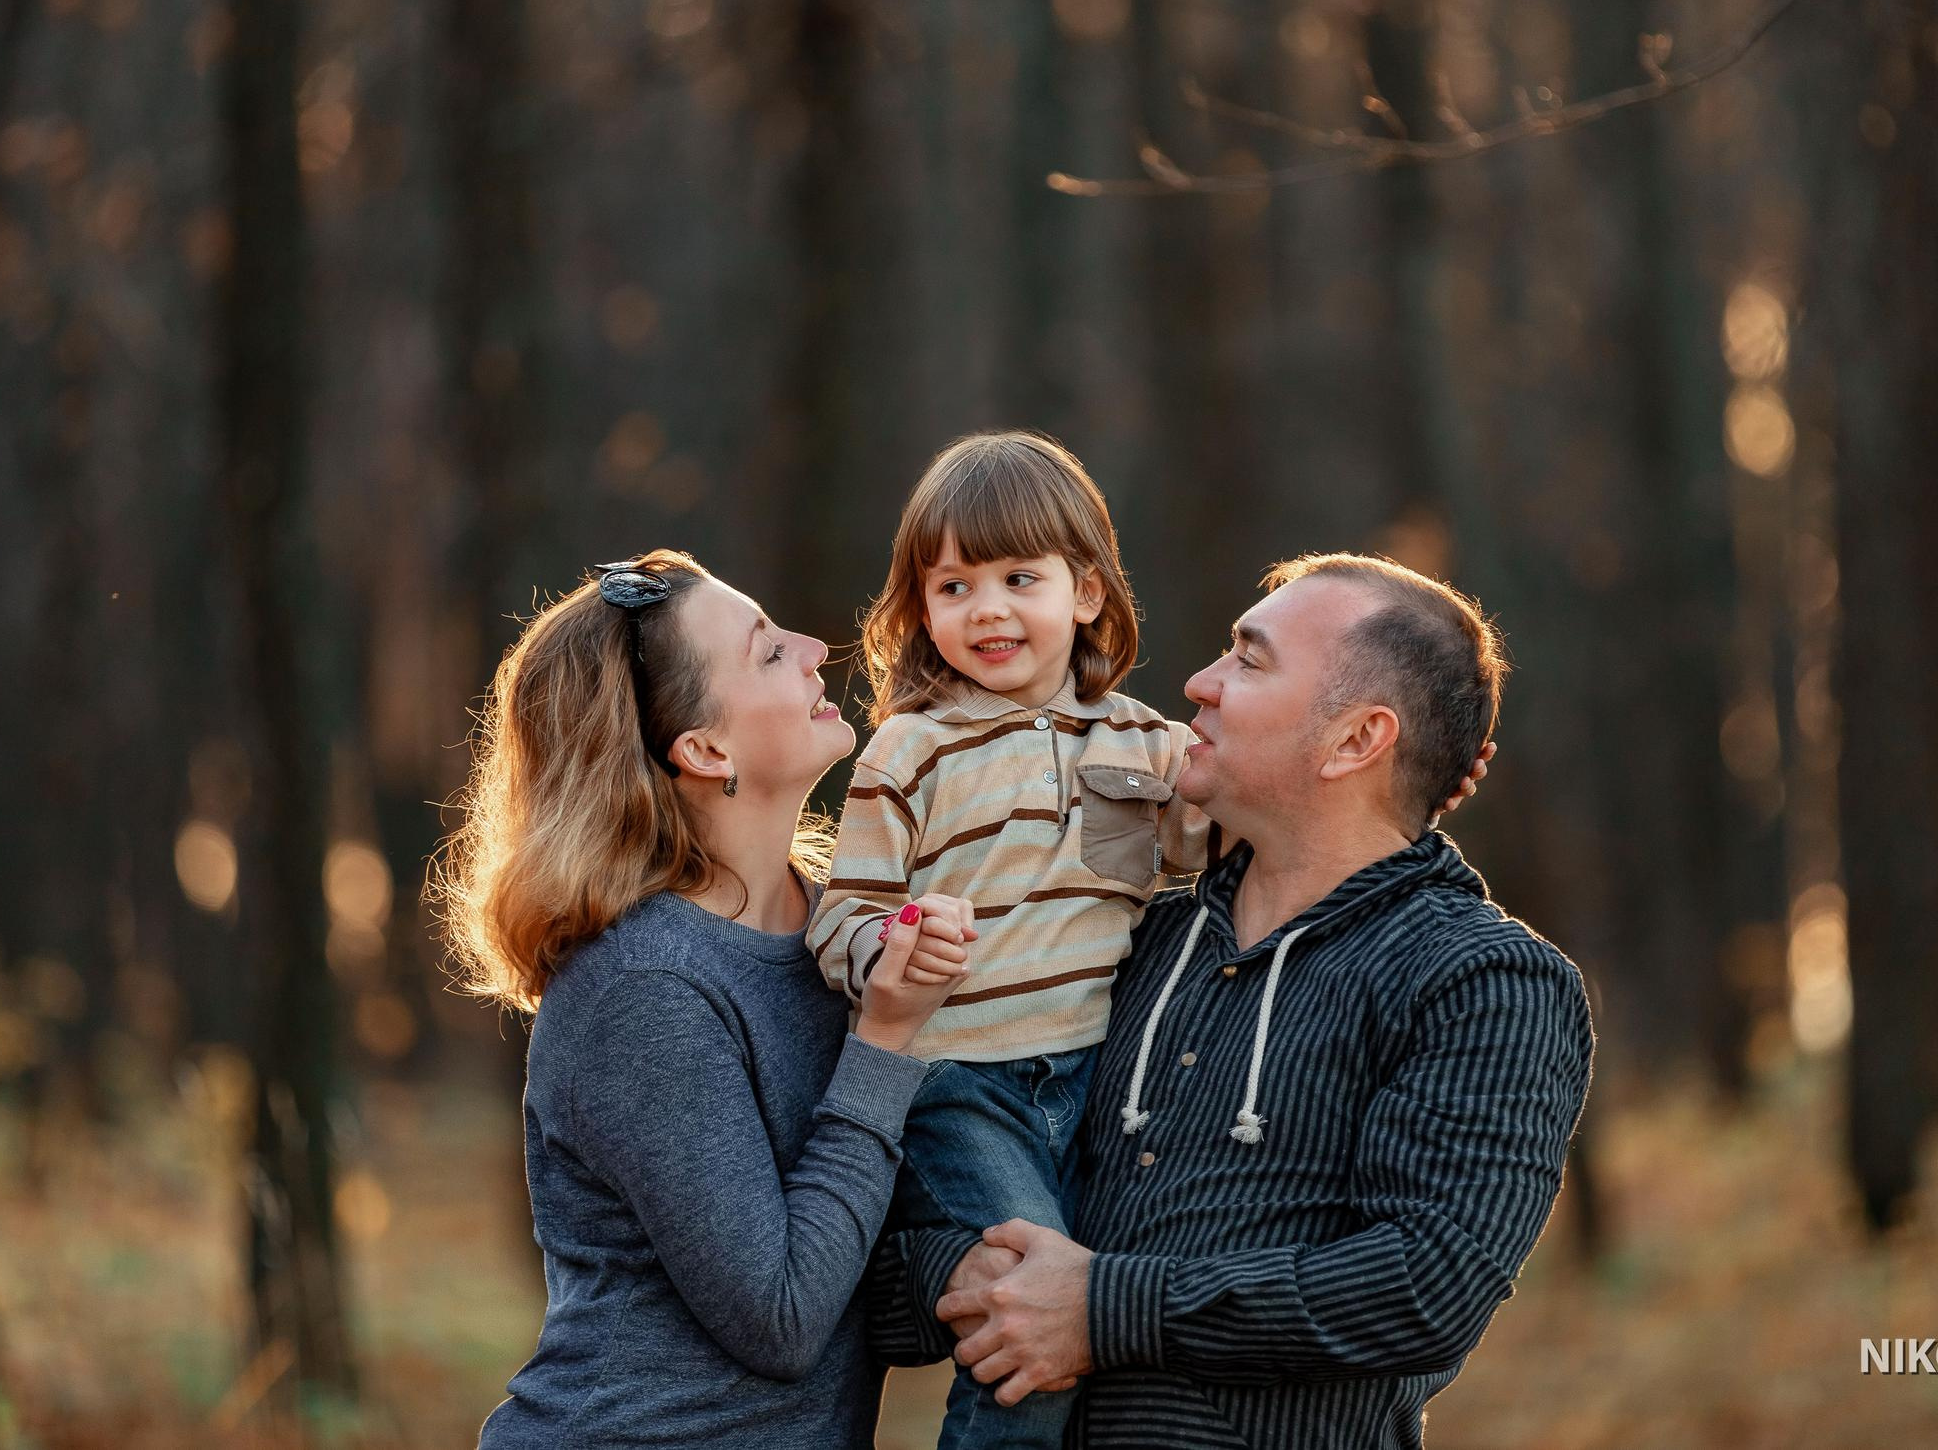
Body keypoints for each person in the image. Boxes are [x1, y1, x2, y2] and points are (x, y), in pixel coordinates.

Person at [863, 551, 1594, 1450]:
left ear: (1357, 740)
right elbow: (898, 1265)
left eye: (1249, 660)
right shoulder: (1124, 940)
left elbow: (1422, 1287)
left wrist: (1104, 1309)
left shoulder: (1482, 979)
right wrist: (972, 1268)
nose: (1199, 682)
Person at [437, 550, 980, 1449]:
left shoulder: (846, 936)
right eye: (768, 652)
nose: (815, 648)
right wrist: (883, 1040)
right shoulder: (647, 989)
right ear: (704, 749)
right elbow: (782, 1318)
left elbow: (847, 1272)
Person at [805, 430, 1220, 1449]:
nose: (984, 609)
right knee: (1034, 1319)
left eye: (1016, 578)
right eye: (951, 587)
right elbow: (839, 916)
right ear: (921, 610)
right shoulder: (909, 750)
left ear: (1085, 591)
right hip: (962, 1082)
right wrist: (896, 948)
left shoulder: (1145, 742)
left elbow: (1221, 847)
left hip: (1104, 1080)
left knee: (1095, 1327)